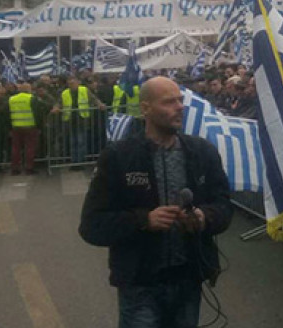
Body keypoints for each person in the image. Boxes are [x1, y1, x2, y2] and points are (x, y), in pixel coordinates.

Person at [79, 76, 233, 328]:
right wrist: (144, 220)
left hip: (188, 279)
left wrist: (204, 218)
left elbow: (224, 207)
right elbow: (92, 225)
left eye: (180, 101)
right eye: (169, 102)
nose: (180, 107)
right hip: (140, 283)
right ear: (145, 109)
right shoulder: (118, 157)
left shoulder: (202, 152)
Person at [54, 75, 98, 168]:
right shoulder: (64, 93)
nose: (71, 85)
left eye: (73, 83)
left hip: (82, 119)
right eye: (69, 83)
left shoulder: (84, 90)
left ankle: (80, 162)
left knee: (81, 141)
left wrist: (100, 104)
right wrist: (56, 107)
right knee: (73, 142)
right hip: (70, 121)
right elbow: (59, 102)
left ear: (78, 82)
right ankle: (74, 162)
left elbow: (93, 99)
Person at [8, 82, 40, 175]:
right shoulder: (32, 99)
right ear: (28, 89)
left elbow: (8, 113)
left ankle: (15, 168)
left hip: (16, 126)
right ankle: (29, 167)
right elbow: (37, 113)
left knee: (15, 148)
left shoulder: (11, 99)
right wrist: (39, 126)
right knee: (29, 148)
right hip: (30, 126)